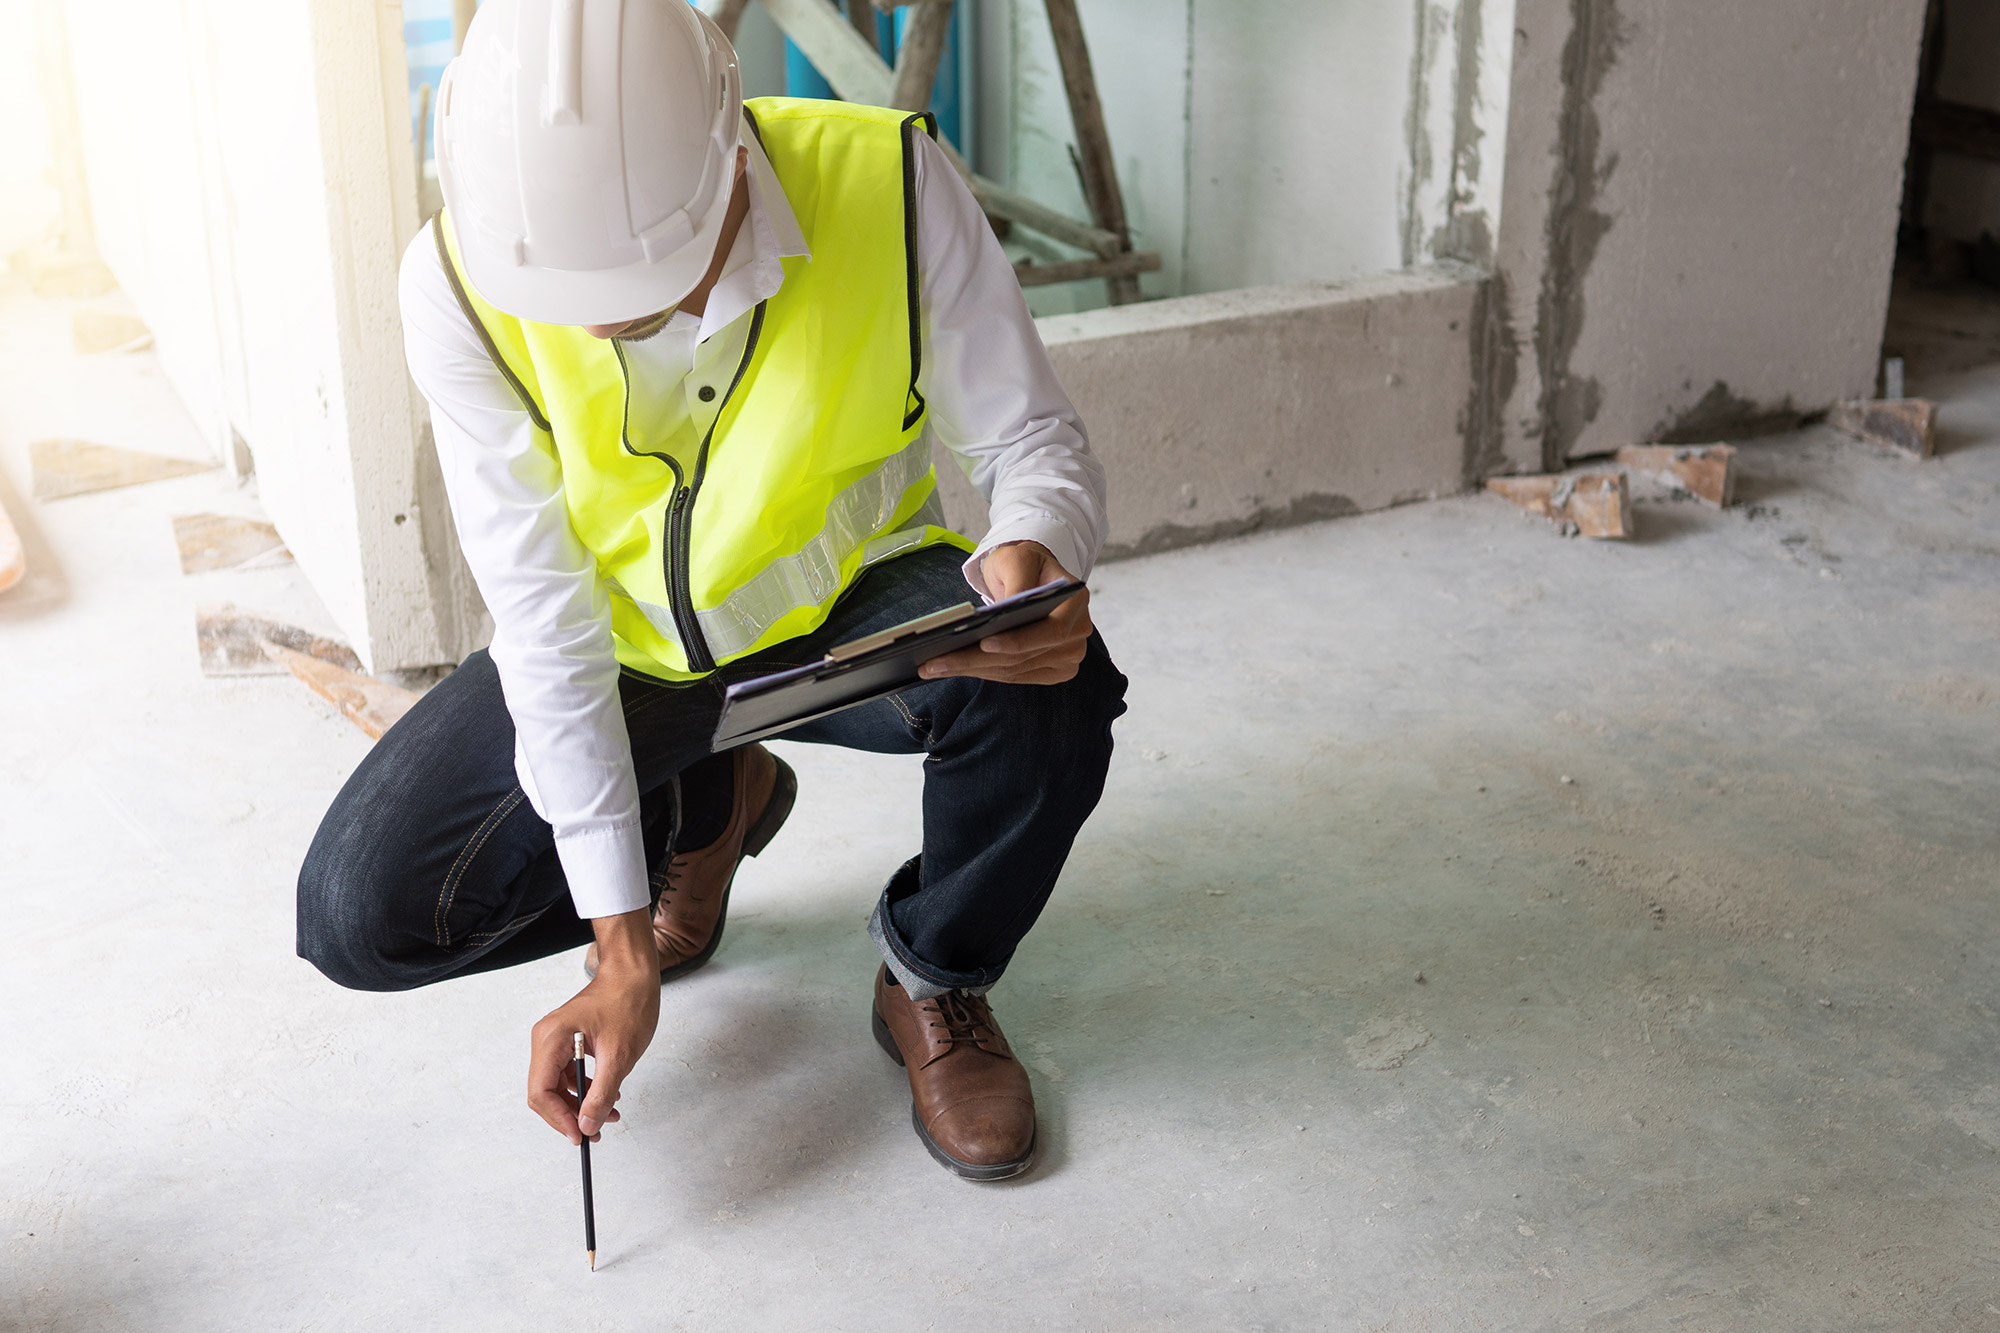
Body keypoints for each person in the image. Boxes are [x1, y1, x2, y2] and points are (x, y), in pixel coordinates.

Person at [294, 0, 1125, 1182]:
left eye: (641, 290)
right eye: (573, 301)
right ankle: (708, 803)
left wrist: (1038, 545)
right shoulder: (460, 281)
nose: (601, 324)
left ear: (734, 149)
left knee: (1052, 687)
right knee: (362, 911)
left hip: (850, 606)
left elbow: (1030, 440)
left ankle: (932, 973)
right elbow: (542, 615)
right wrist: (618, 940)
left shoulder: (887, 183)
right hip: (627, 651)